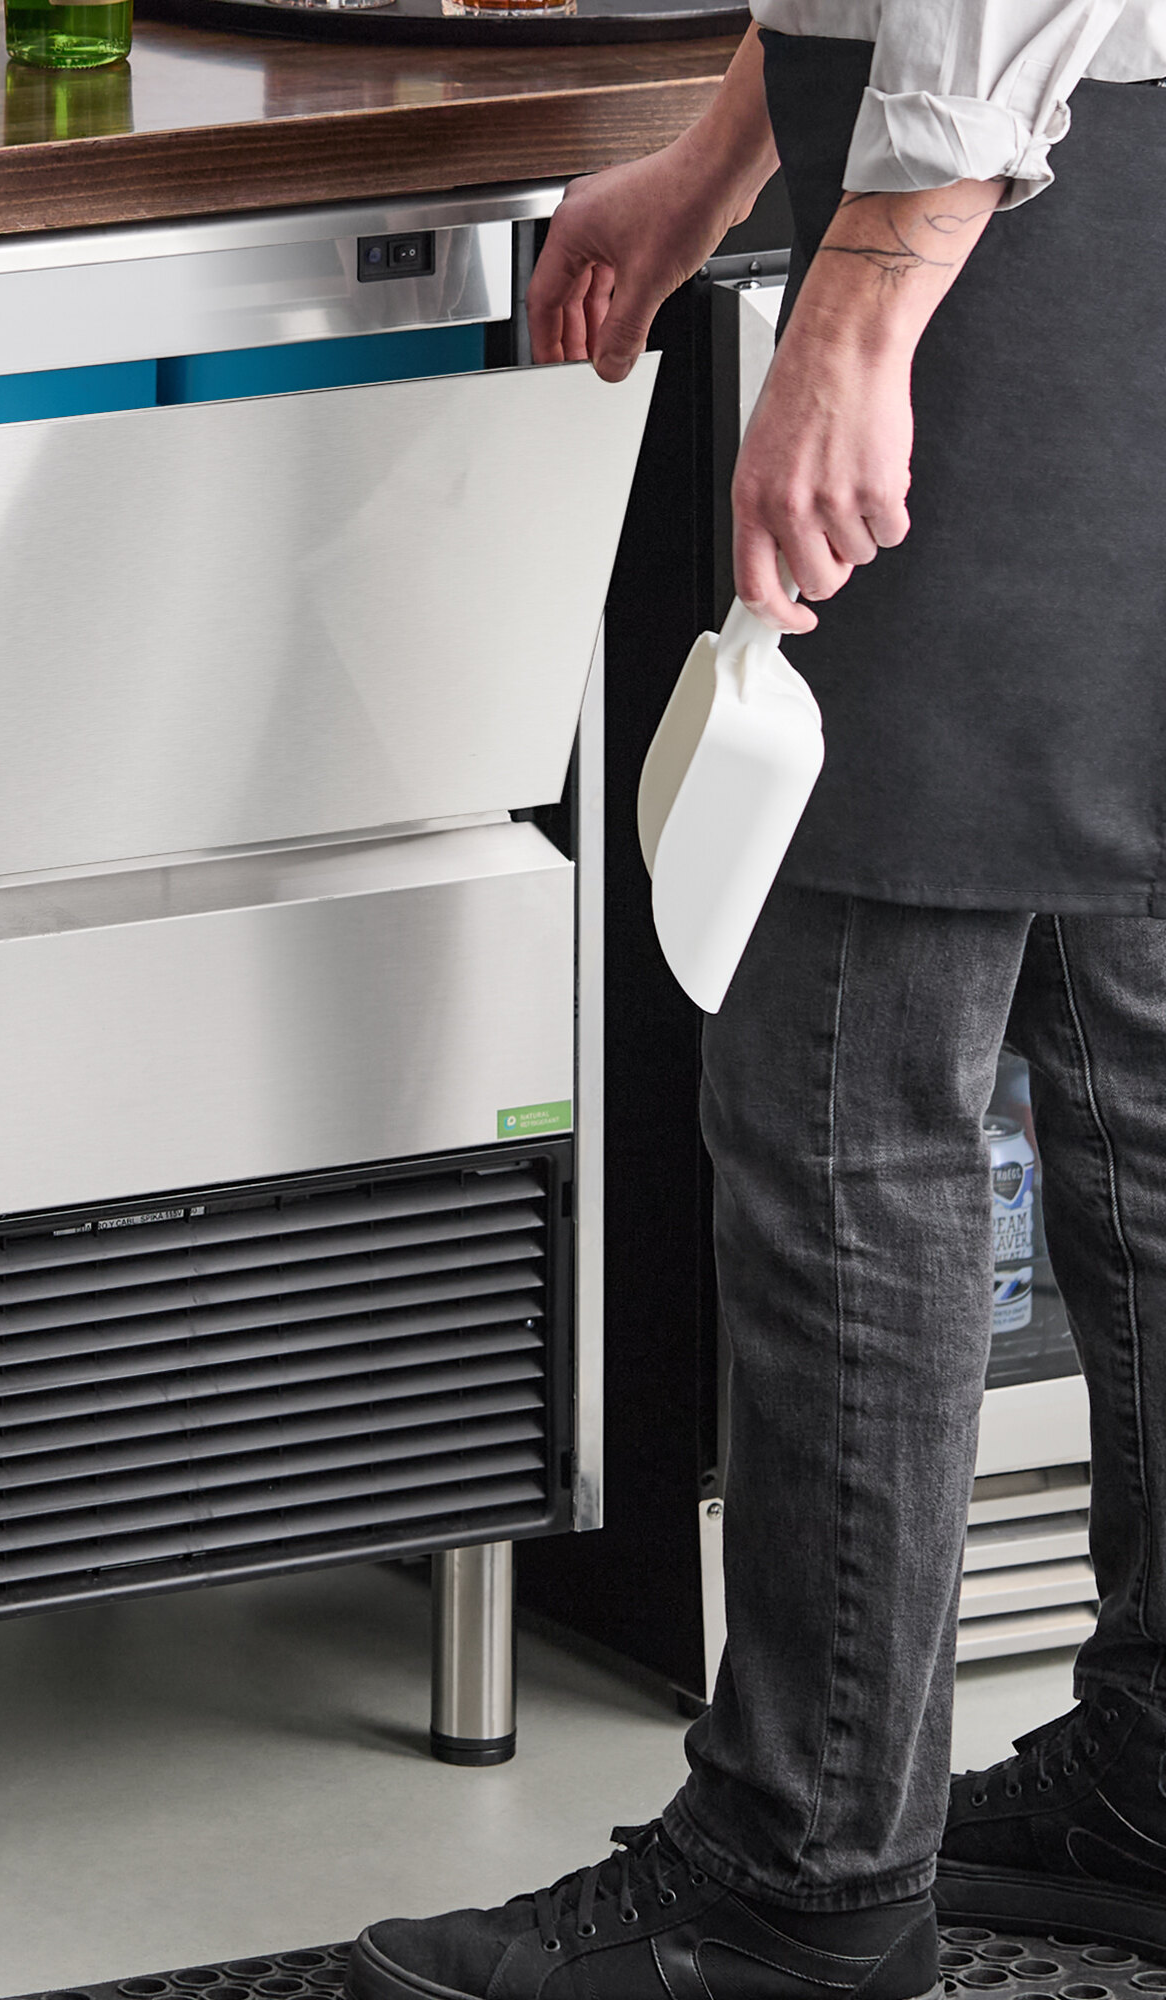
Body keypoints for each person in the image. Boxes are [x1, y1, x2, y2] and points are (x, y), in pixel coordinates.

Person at [347, 12, 1166, 2000]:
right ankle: (1156, 1779)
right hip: (1087, 196)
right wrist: (730, 151)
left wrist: (864, 306)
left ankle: (796, 1874)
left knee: (841, 1088)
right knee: (1134, 1050)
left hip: (1019, 240)